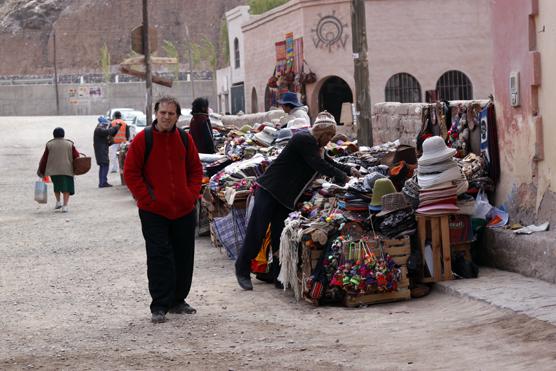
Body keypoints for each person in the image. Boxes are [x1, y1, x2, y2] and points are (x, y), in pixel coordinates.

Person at [235, 111, 360, 291]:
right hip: (270, 190)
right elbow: (319, 165)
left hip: (285, 198)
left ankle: (278, 275)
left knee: (280, 237)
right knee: (258, 231)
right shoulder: (303, 140)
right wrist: (343, 176)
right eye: (329, 135)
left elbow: (330, 163)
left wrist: (349, 170)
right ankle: (242, 270)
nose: (330, 139)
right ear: (320, 132)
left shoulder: (317, 148)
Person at [124, 96, 203, 324]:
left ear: (177, 116)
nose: (167, 117)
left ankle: (179, 300)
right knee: (159, 256)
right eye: (163, 113)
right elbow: (131, 173)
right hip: (154, 211)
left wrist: (190, 195)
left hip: (183, 209)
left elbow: (195, 170)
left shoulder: (185, 139)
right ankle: (160, 304)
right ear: (156, 114)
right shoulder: (143, 140)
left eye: (171, 113)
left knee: (183, 255)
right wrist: (147, 199)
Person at [37, 127, 80, 213]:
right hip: (67, 170)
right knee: (66, 188)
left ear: (54, 135)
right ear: (63, 134)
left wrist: (41, 170)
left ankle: (58, 202)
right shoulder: (69, 144)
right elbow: (76, 156)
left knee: (57, 186)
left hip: (53, 170)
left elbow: (44, 158)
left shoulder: (49, 144)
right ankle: (65, 206)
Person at [93, 116, 122, 188]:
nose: (106, 126)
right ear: (102, 124)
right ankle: (103, 183)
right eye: (105, 125)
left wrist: (116, 130)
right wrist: (116, 127)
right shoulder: (99, 130)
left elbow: (109, 136)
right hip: (101, 151)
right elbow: (108, 132)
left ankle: (102, 182)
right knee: (104, 165)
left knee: (103, 165)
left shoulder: (99, 130)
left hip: (102, 150)